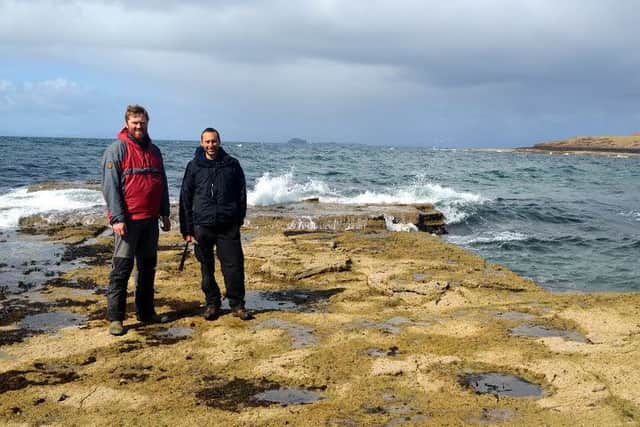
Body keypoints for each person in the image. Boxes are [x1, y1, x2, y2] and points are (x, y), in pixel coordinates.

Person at [101, 104, 171, 336]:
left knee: (147, 268)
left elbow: (161, 184)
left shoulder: (155, 151)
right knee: (121, 270)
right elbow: (110, 188)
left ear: (147, 123)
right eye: (134, 122)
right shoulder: (117, 150)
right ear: (127, 123)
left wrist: (165, 213)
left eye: (142, 122)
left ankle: (146, 312)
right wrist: (118, 219)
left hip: (150, 221)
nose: (139, 126)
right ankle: (116, 318)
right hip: (127, 223)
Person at [179, 127, 252, 321]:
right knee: (206, 267)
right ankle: (212, 303)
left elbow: (242, 194)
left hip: (228, 225)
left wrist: (239, 219)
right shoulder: (194, 166)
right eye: (207, 142)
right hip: (202, 225)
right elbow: (185, 198)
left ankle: (237, 304)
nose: (211, 145)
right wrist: (186, 229)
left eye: (214, 141)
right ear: (201, 143)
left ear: (219, 142)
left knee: (234, 266)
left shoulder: (232, 165)